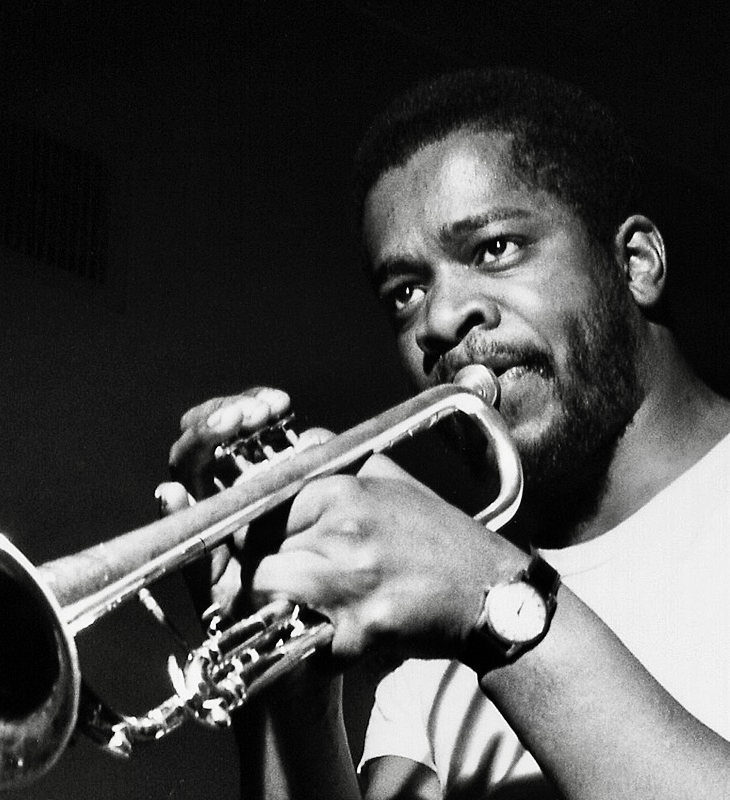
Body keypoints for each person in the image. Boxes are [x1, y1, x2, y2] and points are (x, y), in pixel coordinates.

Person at [162, 68, 730, 799]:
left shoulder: (464, 594)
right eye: (405, 292)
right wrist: (282, 690)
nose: (437, 320)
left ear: (635, 264)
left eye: (494, 248)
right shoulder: (429, 658)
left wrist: (493, 600)